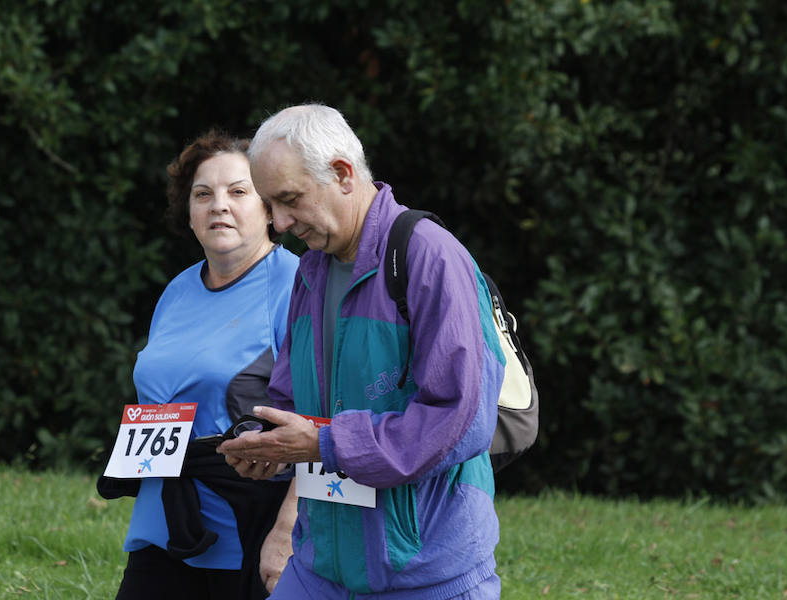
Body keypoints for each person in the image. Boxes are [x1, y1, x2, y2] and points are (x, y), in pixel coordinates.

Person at [217, 104, 503, 599]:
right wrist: (269, 442)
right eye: (270, 205)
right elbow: (291, 399)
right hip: (320, 567)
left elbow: (463, 419)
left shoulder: (431, 257)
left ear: (343, 174)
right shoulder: (312, 270)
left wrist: (325, 443)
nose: (280, 223)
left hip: (426, 574)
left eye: (289, 200)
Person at [98, 130, 300, 599]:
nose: (218, 206)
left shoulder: (296, 285)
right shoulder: (176, 290)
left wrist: (289, 526)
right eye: (202, 194)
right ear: (188, 214)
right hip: (161, 514)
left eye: (238, 191)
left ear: (268, 207)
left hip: (245, 524)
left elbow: (323, 410)